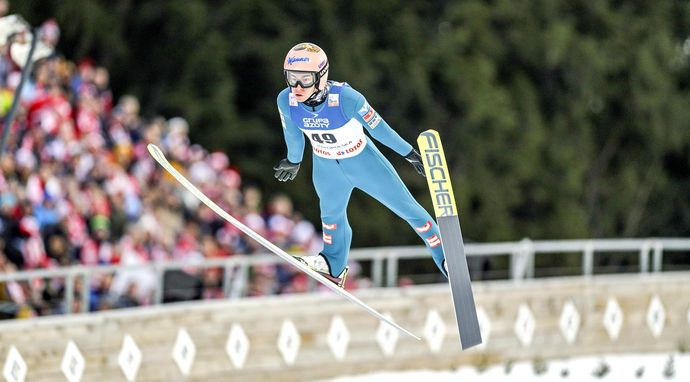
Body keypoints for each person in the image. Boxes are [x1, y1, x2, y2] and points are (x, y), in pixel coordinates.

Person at [274, 42, 447, 287]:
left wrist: (408, 152)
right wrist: (294, 160)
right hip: (326, 166)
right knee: (331, 217)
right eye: (292, 78)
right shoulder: (286, 100)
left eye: (305, 79)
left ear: (321, 76)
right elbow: (292, 132)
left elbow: (380, 129)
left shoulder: (347, 98)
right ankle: (334, 266)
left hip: (363, 162)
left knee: (407, 208)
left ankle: (444, 257)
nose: (297, 87)